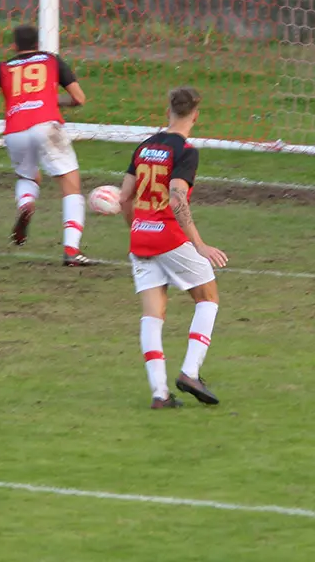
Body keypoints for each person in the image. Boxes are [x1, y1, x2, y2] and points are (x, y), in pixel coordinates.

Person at [118, 87, 228, 409]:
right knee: (208, 297)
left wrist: (137, 228)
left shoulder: (144, 147)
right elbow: (177, 197)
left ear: (168, 110)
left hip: (140, 236)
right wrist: (200, 244)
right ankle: (190, 373)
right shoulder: (185, 151)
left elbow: (125, 197)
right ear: (195, 115)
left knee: (153, 316)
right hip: (168, 235)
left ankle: (159, 393)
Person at [0, 24, 91, 265]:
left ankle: (26, 203)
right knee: (71, 187)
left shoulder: (2, 66)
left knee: (28, 177)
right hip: (46, 126)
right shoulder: (51, 60)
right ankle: (71, 250)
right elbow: (79, 98)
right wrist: (52, 101)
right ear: (38, 44)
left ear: (14, 46)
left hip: (15, 129)